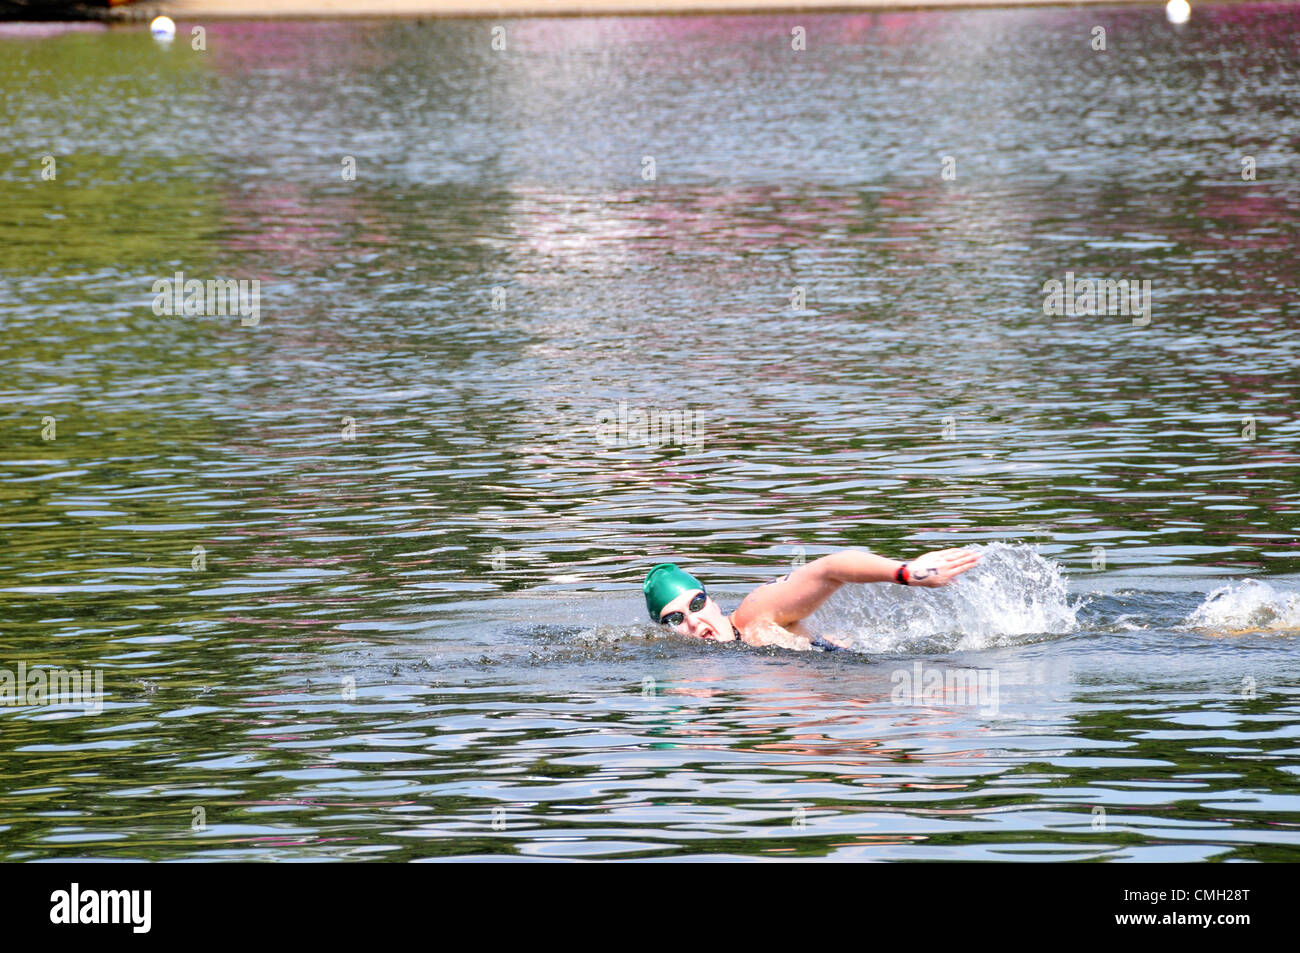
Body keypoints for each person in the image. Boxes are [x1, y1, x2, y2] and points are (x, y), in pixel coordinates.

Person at [643, 548, 981, 651]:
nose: (693, 621)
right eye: (674, 619)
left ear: (712, 601)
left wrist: (908, 574)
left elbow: (830, 568)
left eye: (697, 604)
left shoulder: (753, 615)